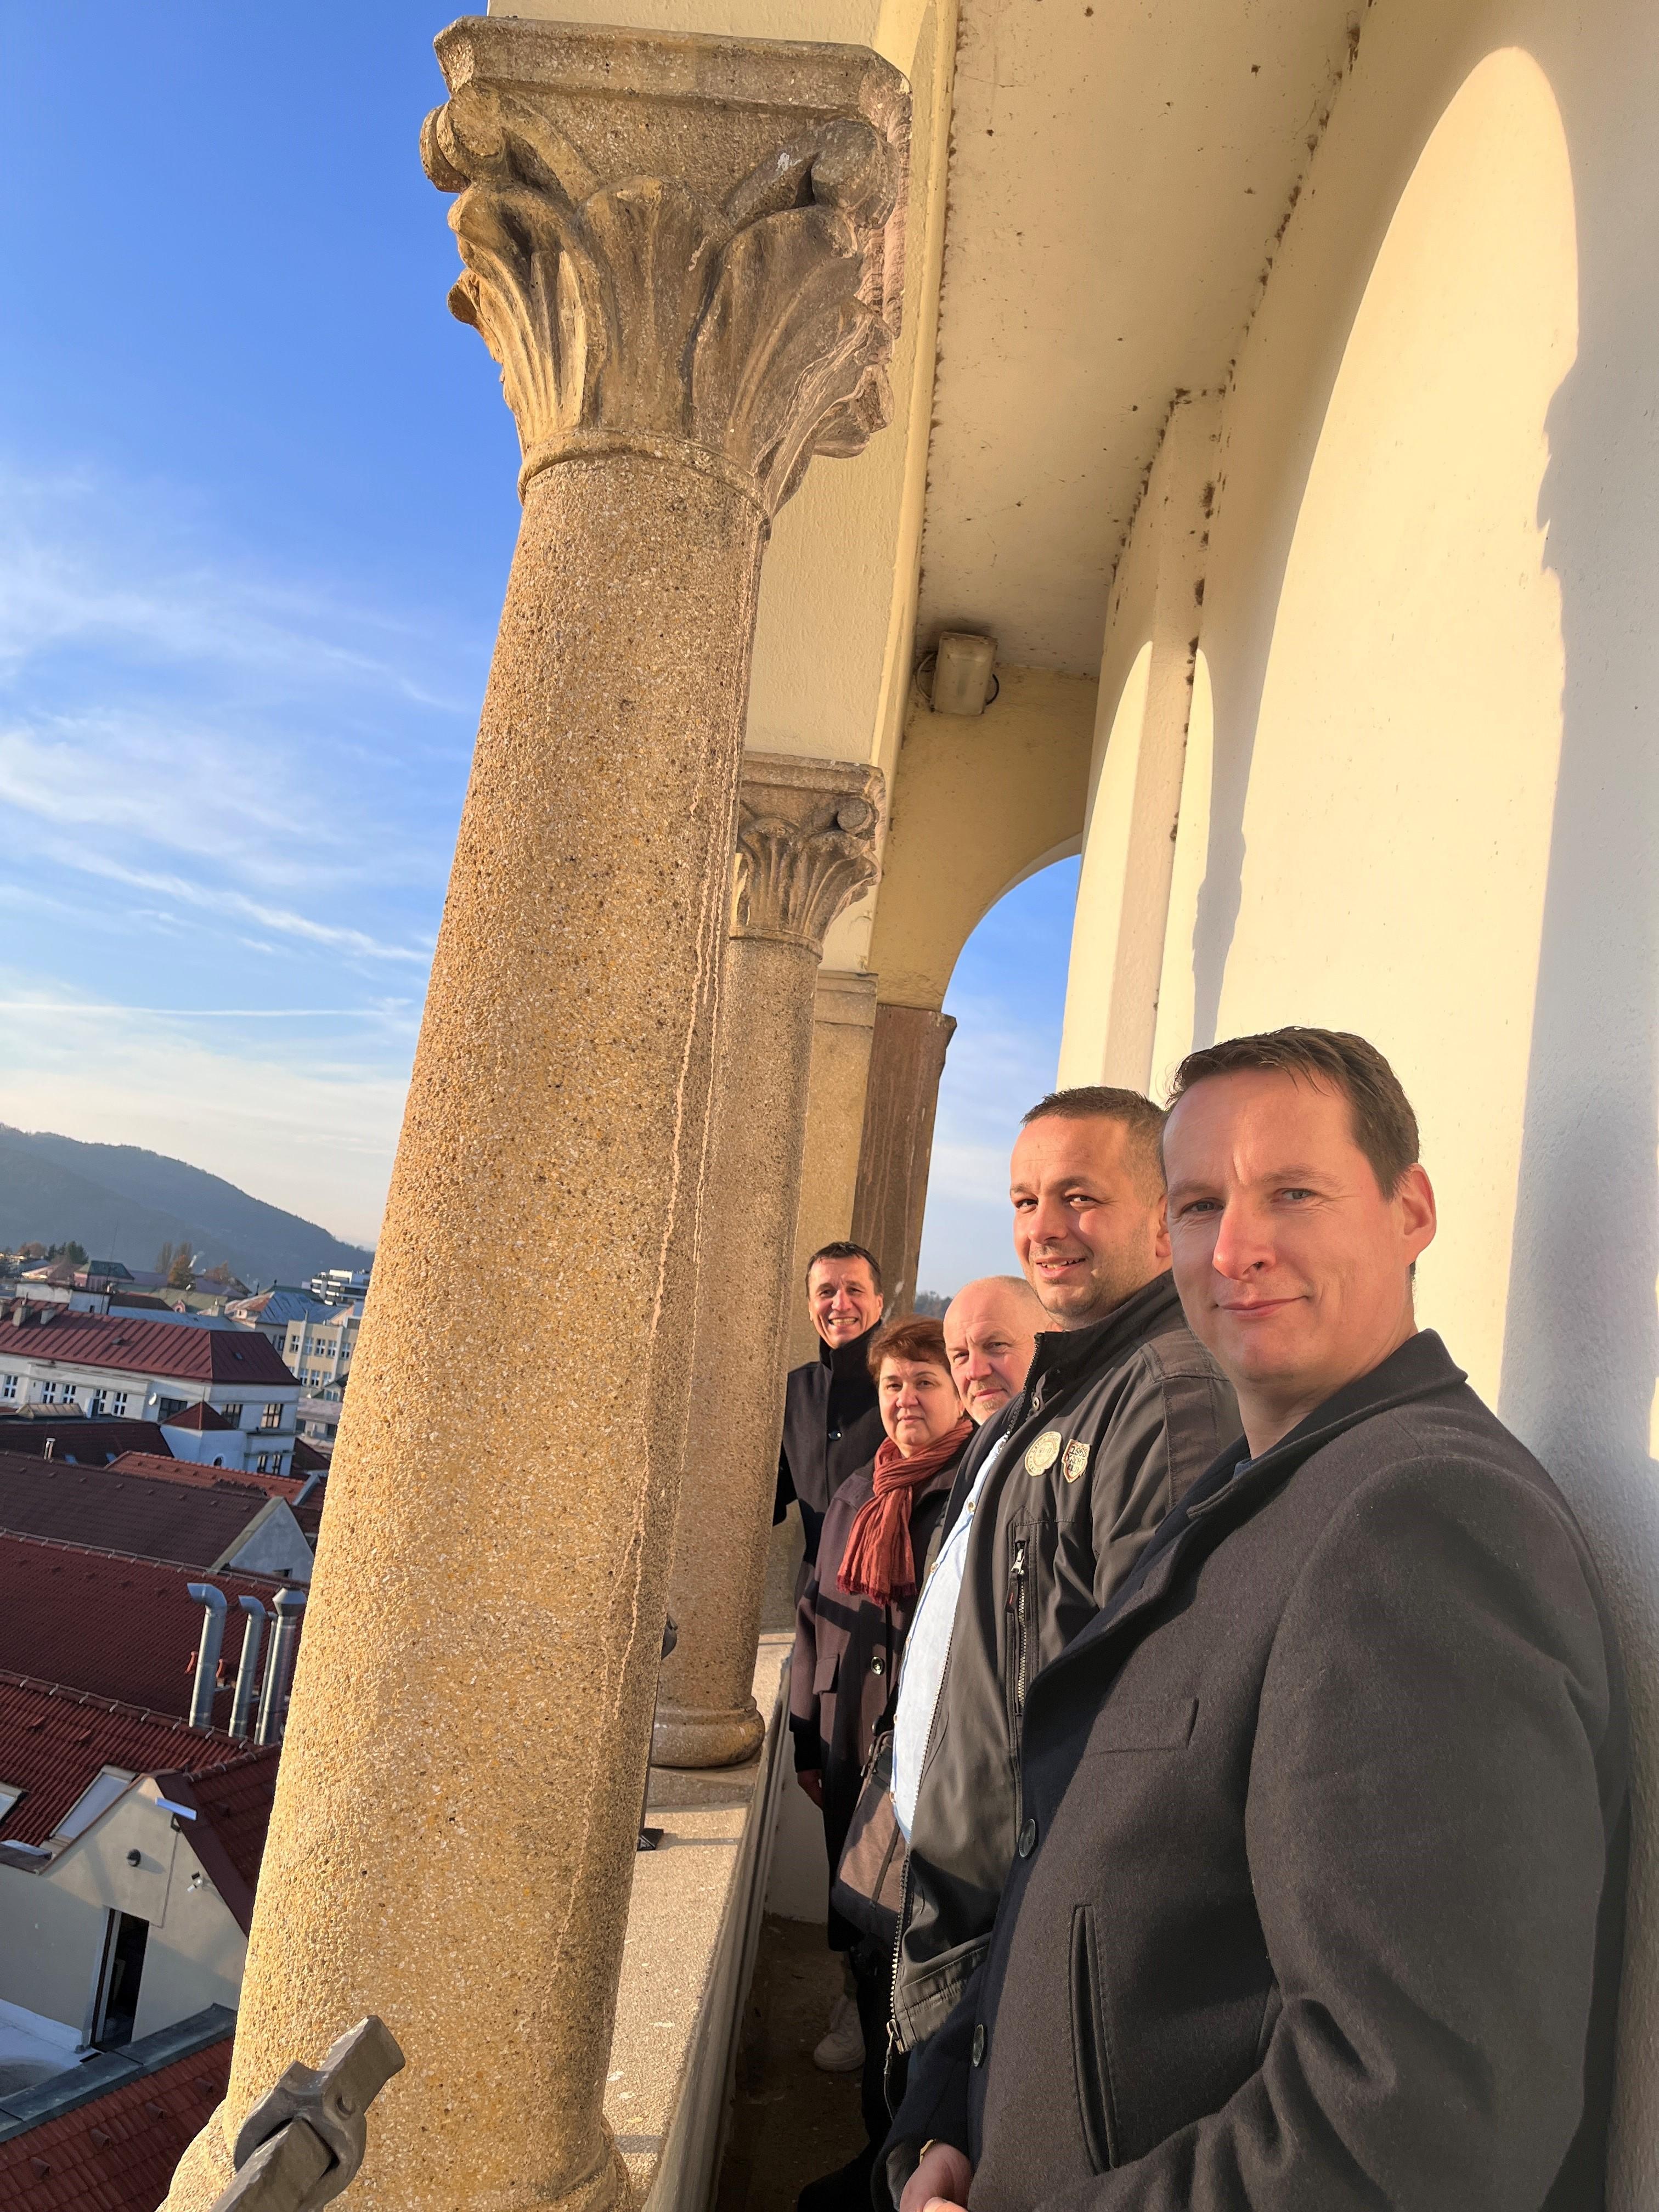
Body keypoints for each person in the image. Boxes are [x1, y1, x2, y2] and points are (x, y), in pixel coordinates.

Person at [893, 1028, 1629, 2212]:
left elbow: (1420, 2128)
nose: (1235, 1248)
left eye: (1292, 1192)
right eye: (1198, 1205)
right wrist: (955, 2118)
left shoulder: (1423, 1522)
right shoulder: (1257, 1481)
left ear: (1409, 1210)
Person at [888, 1089, 1240, 2067]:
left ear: (1163, 1220)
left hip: (1013, 1925)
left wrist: (1037, 1960)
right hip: (962, 1894)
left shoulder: (1165, 1396)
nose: (1043, 1228)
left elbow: (1152, 1729)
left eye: (1078, 1197)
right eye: (1024, 1200)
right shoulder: (1060, 1388)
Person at [791, 1315, 974, 2212]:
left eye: (924, 1383)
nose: (905, 1400)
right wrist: (803, 1734)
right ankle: (877, 2148)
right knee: (867, 1946)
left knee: (919, 1965)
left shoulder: (971, 1493)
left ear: (958, 1396)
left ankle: (901, 2155)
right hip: (846, 1749)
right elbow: (812, 1614)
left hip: (923, 1773)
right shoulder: (860, 1488)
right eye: (893, 1385)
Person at [776, 1241, 888, 1576]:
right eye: (826, 1292)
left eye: (855, 1290)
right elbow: (768, 1494)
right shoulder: (794, 1392)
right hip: (816, 1597)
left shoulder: (910, 1388)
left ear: (879, 1303)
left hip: (893, 1599)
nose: (840, 1304)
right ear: (811, 1308)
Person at [941, 1274, 1054, 1429]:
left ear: (1053, 1339)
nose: (975, 1372)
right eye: (961, 1356)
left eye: (996, 1345)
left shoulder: (1083, 1432)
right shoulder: (983, 1444)